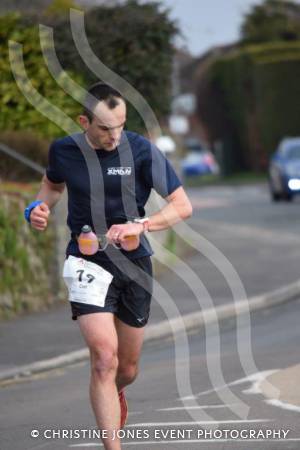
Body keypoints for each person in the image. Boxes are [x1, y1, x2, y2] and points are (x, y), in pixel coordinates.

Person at [24, 83, 192, 450]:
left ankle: (115, 394)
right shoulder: (65, 151)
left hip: (133, 263)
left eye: (120, 126)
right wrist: (38, 208)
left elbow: (182, 205)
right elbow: (51, 186)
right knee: (104, 358)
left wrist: (142, 225)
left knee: (126, 369)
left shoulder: (142, 151)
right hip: (86, 260)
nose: (114, 136)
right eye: (104, 128)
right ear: (84, 121)